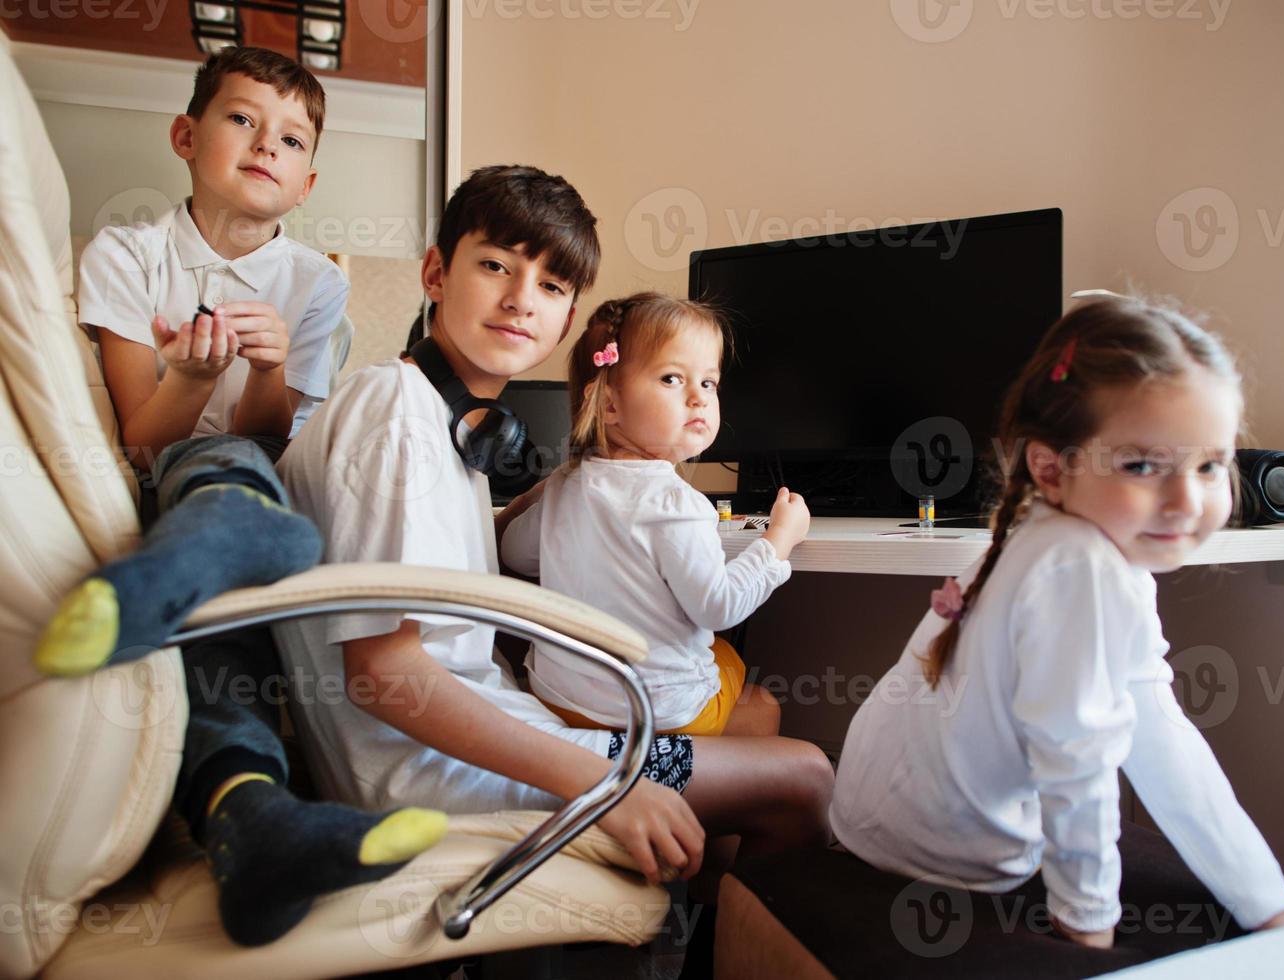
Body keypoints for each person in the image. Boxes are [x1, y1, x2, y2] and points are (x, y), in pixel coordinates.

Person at [272, 165, 833, 908]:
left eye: (550, 286)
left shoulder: (451, 428)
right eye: (496, 266)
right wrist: (607, 785)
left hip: (491, 738)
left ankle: (686, 930)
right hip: (438, 777)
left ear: (567, 321)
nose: (518, 300)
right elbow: (384, 677)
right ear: (436, 272)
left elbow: (461, 580)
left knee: (752, 726)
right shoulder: (396, 422)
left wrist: (536, 506)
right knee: (804, 779)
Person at [31, 47, 446, 947]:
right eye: (242, 120)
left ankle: (246, 809)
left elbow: (268, 434)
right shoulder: (126, 254)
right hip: (170, 482)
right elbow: (144, 435)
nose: (266, 144)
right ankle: (255, 817)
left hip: (257, 483)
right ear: (187, 135)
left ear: (306, 183)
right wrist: (188, 374)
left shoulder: (314, 283)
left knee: (237, 494)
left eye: (291, 138)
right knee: (210, 494)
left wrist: (264, 366)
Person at [829, 295, 1284, 951]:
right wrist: (1087, 923)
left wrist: (1263, 902)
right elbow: (1076, 762)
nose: (1186, 501)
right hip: (938, 853)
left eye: (1209, 465)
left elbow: (1158, 735)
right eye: (1141, 465)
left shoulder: (1058, 535)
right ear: (1050, 468)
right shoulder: (1080, 567)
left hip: (875, 817)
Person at [499, 292, 807, 737]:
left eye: (708, 383)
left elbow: (515, 553)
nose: (698, 399)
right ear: (608, 405)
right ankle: (728, 788)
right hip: (652, 712)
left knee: (715, 655)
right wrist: (779, 538)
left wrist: (542, 498)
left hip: (560, 699)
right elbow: (719, 606)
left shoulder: (565, 487)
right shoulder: (676, 504)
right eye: (671, 379)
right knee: (753, 691)